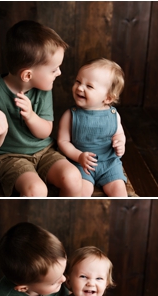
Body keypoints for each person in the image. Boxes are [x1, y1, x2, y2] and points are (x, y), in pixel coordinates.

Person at [0, 20, 82, 197]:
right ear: (28, 75)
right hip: (11, 156)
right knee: (36, 190)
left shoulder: (42, 90)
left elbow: (45, 132)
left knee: (73, 177)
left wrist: (31, 116)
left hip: (44, 151)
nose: (59, 73)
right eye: (54, 69)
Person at [56, 58, 128, 197]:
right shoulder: (70, 115)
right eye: (78, 81)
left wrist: (120, 143)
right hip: (80, 163)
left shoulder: (113, 115)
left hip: (109, 163)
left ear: (107, 98)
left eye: (89, 86)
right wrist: (79, 156)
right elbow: (62, 142)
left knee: (119, 192)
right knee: (81, 192)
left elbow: (118, 134)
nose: (80, 87)